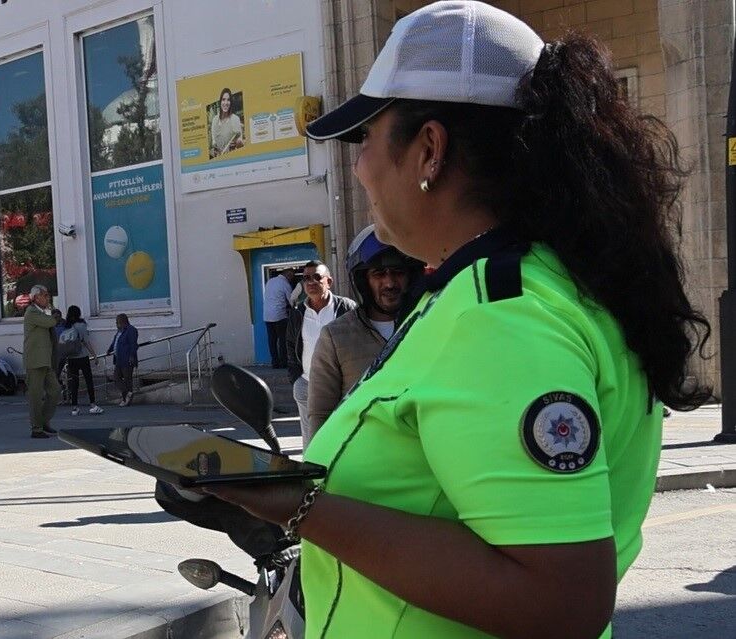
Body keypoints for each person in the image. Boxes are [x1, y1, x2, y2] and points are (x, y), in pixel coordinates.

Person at [205, 3, 711, 637]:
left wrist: (297, 506)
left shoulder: (505, 317)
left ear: (429, 149)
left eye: (366, 137)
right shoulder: (513, 286)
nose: (358, 167)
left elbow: (563, 601)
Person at [306, 226, 423, 439]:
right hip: (363, 454)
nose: (390, 283)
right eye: (378, 274)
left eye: (398, 272)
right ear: (364, 281)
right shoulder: (335, 336)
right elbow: (320, 413)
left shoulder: (430, 323)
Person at [285, 260, 355, 436]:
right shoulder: (298, 312)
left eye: (317, 277)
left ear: (329, 282)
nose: (311, 282)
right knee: (311, 441)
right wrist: (296, 378)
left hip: (339, 387)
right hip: (306, 384)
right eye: (306, 278)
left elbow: (359, 342)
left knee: (341, 436)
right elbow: (291, 345)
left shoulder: (346, 308)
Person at [22, 285, 61, 438]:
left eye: (48, 295)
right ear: (36, 297)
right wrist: (54, 315)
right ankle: (36, 428)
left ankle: (43, 421)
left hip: (46, 360)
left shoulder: (43, 311)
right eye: (44, 295)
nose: (47, 298)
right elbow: (51, 322)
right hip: (35, 360)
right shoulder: (31, 312)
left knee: (55, 391)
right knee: (36, 397)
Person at [60, 305, 104, 416]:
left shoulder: (67, 326)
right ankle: (93, 405)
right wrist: (94, 356)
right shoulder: (81, 325)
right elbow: (86, 341)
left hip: (71, 358)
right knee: (89, 380)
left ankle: (75, 408)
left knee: (74, 382)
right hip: (82, 357)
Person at [262, 268, 296, 369]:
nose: (292, 279)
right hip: (280, 316)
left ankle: (275, 363)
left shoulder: (270, 281)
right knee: (282, 340)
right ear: (288, 275)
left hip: (267, 316)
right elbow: (292, 301)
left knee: (272, 340)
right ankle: (283, 362)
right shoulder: (285, 284)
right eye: (292, 276)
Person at [106, 313, 139, 406]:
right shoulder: (119, 331)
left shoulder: (131, 330)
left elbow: (133, 344)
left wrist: (132, 356)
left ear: (123, 322)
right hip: (118, 359)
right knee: (116, 377)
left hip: (127, 359)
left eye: (117, 322)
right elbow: (115, 342)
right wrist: (109, 350)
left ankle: (126, 399)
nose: (116, 324)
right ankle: (128, 393)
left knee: (127, 379)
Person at [209, 87, 244, 159]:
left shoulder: (235, 119)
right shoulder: (215, 120)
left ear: (231, 102)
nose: (226, 103)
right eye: (223, 99)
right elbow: (214, 142)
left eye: (228, 100)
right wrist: (216, 148)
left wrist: (238, 142)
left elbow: (240, 142)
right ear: (220, 101)